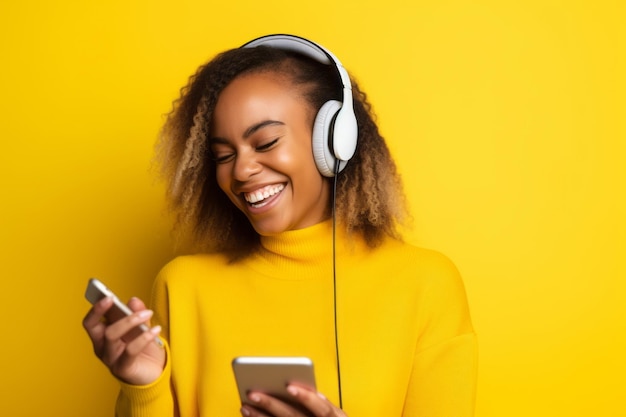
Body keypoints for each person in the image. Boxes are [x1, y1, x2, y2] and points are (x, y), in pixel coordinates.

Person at [83, 34, 477, 417]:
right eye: (223, 155)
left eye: (266, 142)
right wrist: (142, 386)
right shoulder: (183, 286)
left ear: (334, 142)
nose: (240, 170)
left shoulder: (425, 284)